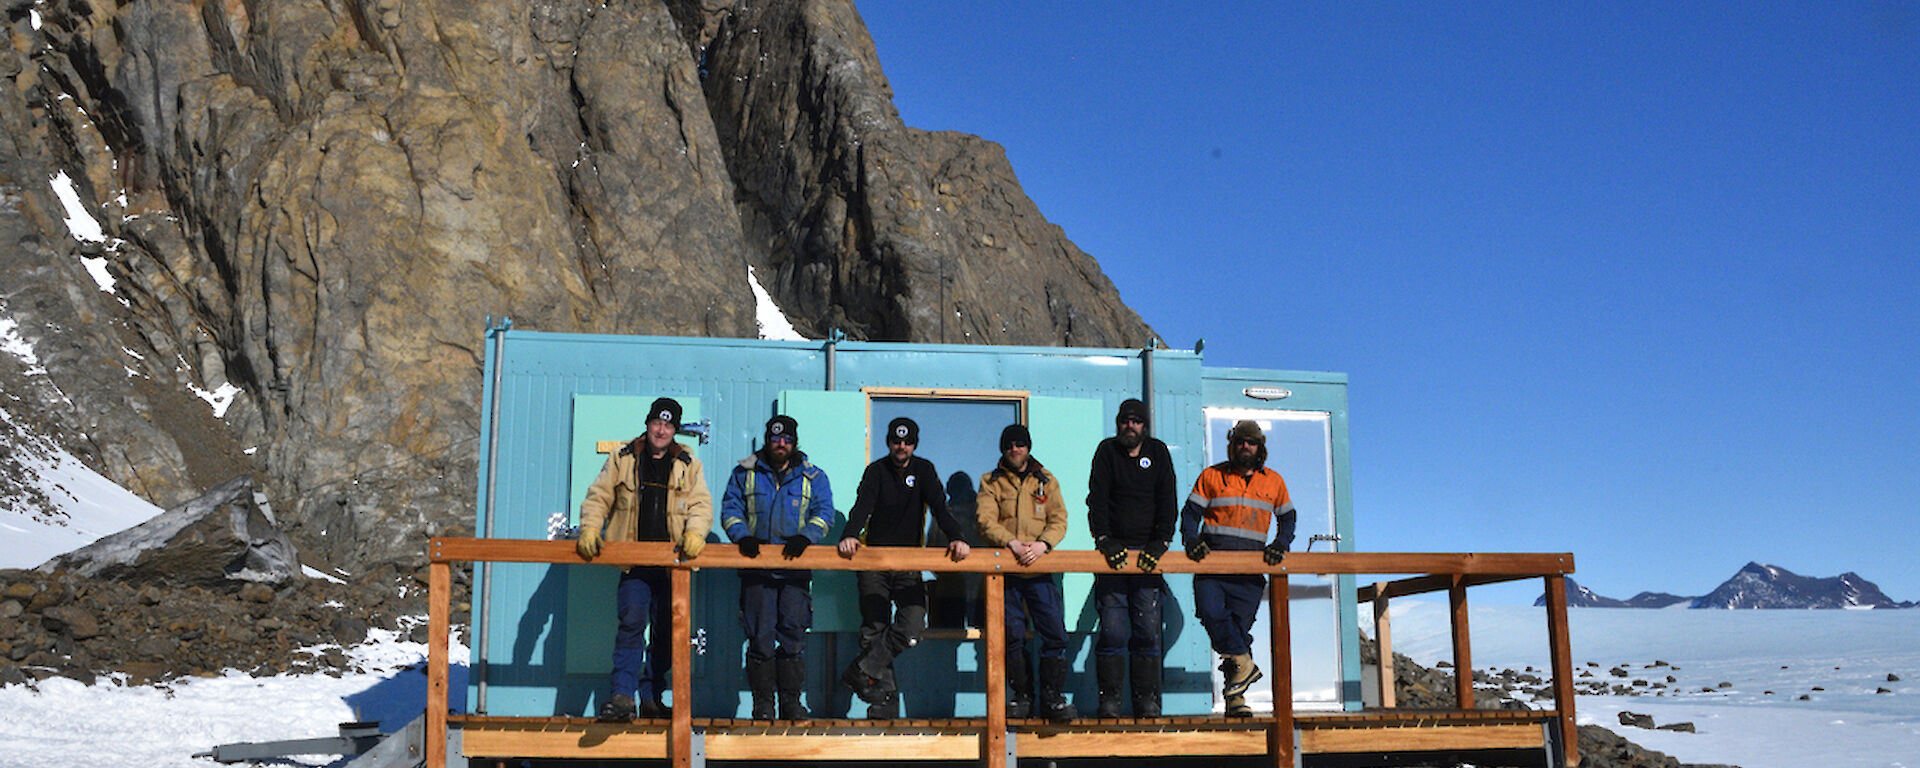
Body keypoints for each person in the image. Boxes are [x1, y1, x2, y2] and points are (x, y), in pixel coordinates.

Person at [576, 397, 713, 721]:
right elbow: (599, 496)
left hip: (671, 565)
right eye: (657, 423)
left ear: (675, 430)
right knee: (632, 624)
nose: (661, 430)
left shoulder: (688, 462)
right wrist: (590, 528)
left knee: (667, 632)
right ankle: (622, 696)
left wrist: (695, 533)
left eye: (668, 425)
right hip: (634, 563)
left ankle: (652, 697)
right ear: (648, 423)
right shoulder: (622, 457)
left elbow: (701, 505)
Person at [837, 416, 972, 718]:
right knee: (874, 629)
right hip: (874, 561)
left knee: (913, 626)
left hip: (910, 563)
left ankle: (861, 670)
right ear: (888, 442)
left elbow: (940, 507)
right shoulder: (877, 471)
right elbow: (862, 508)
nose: (901, 446)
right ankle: (883, 703)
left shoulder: (923, 471)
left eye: (907, 441)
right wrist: (848, 535)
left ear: (914, 443)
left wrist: (958, 537)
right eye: (896, 441)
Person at [720, 414, 835, 721]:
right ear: (767, 440)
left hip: (795, 571)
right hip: (757, 570)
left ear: (794, 443)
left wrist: (806, 537)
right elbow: (731, 509)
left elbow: (824, 513)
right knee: (759, 637)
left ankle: (791, 704)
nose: (780, 444)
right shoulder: (744, 473)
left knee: (793, 635)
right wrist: (742, 536)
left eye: (786, 439)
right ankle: (763, 705)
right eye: (775, 438)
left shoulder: (814, 477)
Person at [1180, 420, 1296, 717]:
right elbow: (1191, 513)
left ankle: (1235, 700)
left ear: (1260, 447)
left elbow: (1288, 517)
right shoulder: (1212, 476)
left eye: (1251, 442)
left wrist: (1281, 543)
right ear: (1232, 445)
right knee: (1210, 614)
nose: (1246, 446)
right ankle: (1245, 664)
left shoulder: (1274, 481)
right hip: (1213, 566)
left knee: (1237, 632)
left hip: (1250, 570)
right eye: (1240, 441)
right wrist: (1191, 540)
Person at [976, 423, 1076, 721]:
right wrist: (1012, 544)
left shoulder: (1046, 480)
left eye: (1020, 444)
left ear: (1028, 447)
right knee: (1012, 636)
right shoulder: (990, 482)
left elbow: (1059, 518)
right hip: (1006, 575)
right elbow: (985, 520)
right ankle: (1022, 697)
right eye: (1009, 445)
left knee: (1055, 634)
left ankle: (1052, 698)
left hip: (1040, 573)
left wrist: (1044, 544)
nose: (1014, 449)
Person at [1085, 398, 1177, 717]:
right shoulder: (1107, 451)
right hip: (1113, 557)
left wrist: (1161, 542)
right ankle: (1110, 699)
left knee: (1148, 630)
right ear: (1118, 423)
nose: (1130, 426)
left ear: (1145, 426)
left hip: (1149, 557)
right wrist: (1104, 539)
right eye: (1125, 420)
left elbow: (1168, 500)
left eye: (1136, 421)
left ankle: (1146, 699)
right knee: (1112, 630)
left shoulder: (1159, 452)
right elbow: (1097, 499)